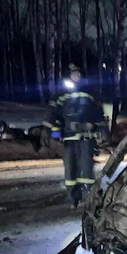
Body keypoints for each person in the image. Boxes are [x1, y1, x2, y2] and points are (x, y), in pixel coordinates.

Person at [46, 63, 106, 206]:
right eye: (73, 74)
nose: (76, 76)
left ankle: (90, 198)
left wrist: (101, 130)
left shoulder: (90, 93)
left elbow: (98, 114)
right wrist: (54, 132)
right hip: (69, 138)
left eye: (78, 74)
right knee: (70, 169)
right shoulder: (61, 94)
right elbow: (54, 114)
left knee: (87, 168)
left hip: (86, 137)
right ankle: (74, 199)